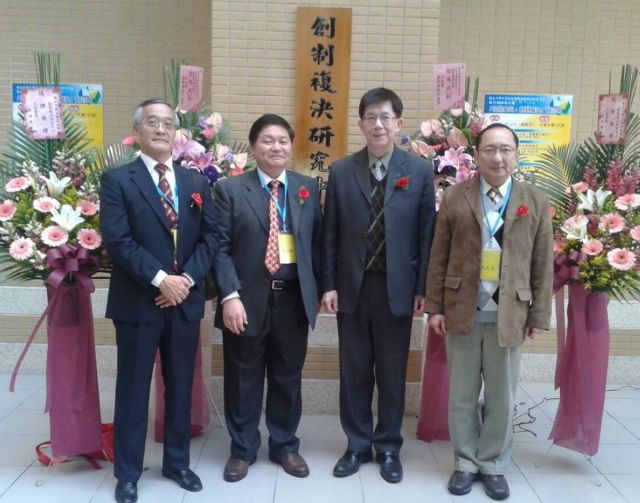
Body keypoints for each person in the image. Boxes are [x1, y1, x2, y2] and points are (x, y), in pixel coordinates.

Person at [425, 123, 553, 500]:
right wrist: (435, 307)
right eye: (490, 150)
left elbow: (542, 263)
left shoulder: (535, 200)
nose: (498, 157)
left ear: (516, 155)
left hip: (509, 315)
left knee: (501, 397)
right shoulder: (455, 197)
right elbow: (438, 255)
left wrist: (538, 315)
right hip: (462, 311)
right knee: (462, 396)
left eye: (505, 150)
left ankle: (493, 463)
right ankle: (465, 462)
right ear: (476, 155)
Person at [100, 99, 217, 503]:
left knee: (180, 387)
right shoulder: (118, 180)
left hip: (183, 301)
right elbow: (118, 241)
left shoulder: (195, 182)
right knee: (133, 390)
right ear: (138, 131)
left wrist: (185, 280)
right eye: (153, 122)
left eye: (168, 123)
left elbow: (211, 238)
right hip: (138, 302)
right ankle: (128, 474)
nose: (162, 129)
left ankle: (177, 463)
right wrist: (161, 280)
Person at [322, 87, 436, 483]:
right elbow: (330, 234)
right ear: (360, 124)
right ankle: (356, 445)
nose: (378, 124)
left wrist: (422, 288)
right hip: (352, 288)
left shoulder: (419, 171)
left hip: (397, 290)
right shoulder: (341, 171)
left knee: (391, 371)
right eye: (370, 117)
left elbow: (426, 234)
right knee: (353, 370)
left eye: (385, 117)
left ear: (398, 123)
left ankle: (388, 446)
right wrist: (329, 285)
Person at [212, 114, 322, 482]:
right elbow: (220, 248)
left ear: (291, 147)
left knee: (287, 376)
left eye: (283, 141)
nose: (276, 147)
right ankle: (242, 450)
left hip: (293, 300)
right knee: (242, 377)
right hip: (245, 301)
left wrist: (318, 290)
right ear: (253, 147)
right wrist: (229, 296)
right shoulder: (230, 190)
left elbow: (318, 244)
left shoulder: (308, 188)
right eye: (268, 140)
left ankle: (285, 446)